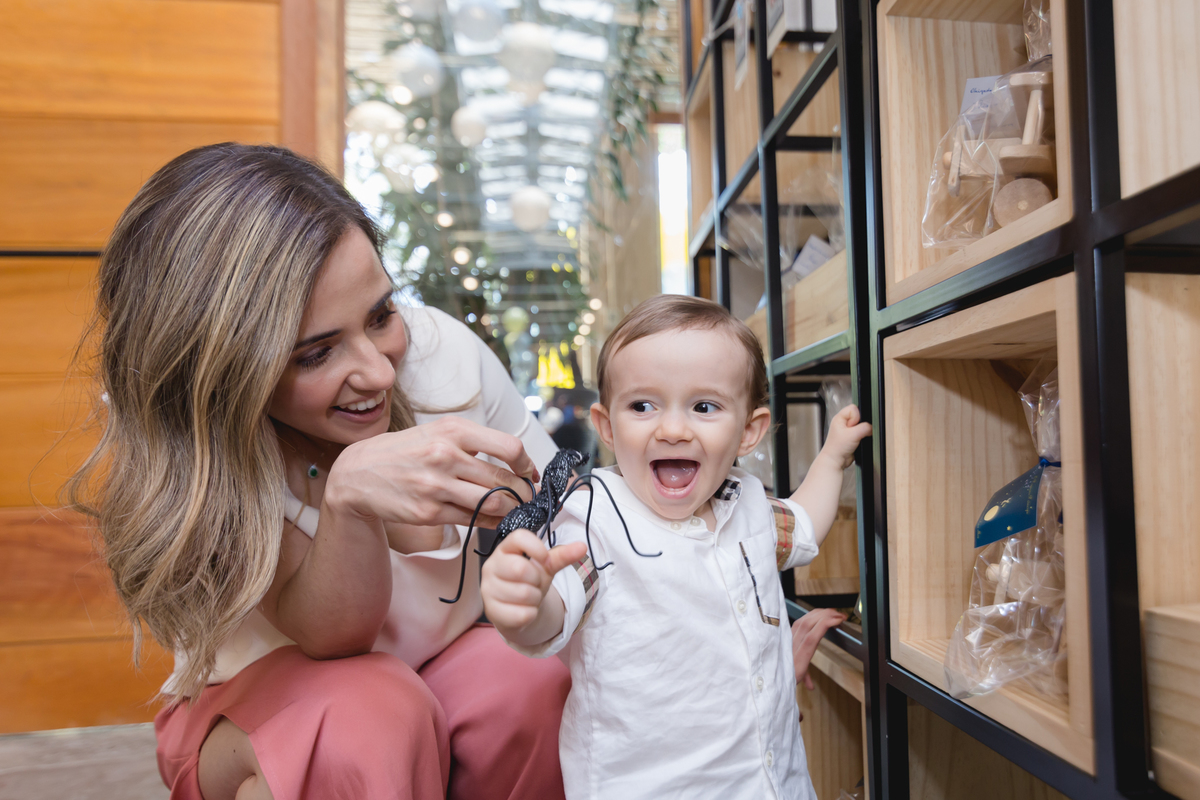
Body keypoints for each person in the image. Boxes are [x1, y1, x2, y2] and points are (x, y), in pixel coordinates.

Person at [65, 143, 570, 800]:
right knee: (369, 715)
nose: (379, 372)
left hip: (437, 676)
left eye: (381, 316)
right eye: (316, 354)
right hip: (259, 712)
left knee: (527, 681)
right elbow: (337, 639)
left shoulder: (442, 357)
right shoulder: (215, 454)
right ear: (226, 368)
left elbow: (570, 519)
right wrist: (349, 495)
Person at [480, 294, 872, 799]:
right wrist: (527, 603)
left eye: (704, 407)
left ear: (748, 431)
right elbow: (559, 603)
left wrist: (833, 458)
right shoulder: (596, 519)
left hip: (770, 783)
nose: (671, 429)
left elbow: (805, 524)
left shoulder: (746, 502)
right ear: (607, 426)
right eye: (642, 406)